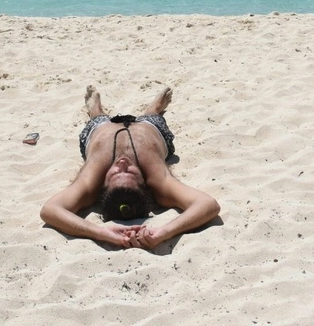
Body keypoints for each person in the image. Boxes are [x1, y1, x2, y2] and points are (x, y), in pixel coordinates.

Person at [40, 86, 220, 250]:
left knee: (96, 118)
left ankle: (95, 109)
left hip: (100, 128)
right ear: (144, 182)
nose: (122, 164)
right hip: (150, 127)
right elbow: (208, 204)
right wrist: (164, 232)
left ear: (104, 183)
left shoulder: (92, 178)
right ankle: (154, 109)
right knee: (153, 116)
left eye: (116, 173)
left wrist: (99, 232)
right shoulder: (157, 178)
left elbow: (50, 209)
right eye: (131, 173)